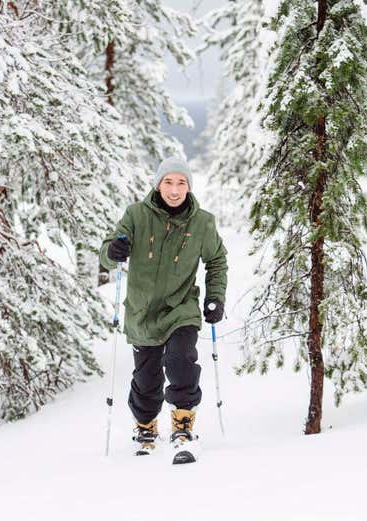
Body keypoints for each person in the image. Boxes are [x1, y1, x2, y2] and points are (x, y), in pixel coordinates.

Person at [99, 156, 228, 463]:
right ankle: (145, 428)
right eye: (168, 182)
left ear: (189, 187)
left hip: (180, 308)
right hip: (143, 312)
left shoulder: (202, 222)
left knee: (181, 359)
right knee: (147, 379)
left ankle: (183, 427)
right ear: (158, 184)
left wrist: (215, 297)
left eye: (181, 182)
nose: (174, 189)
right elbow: (107, 254)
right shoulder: (136, 215)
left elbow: (217, 260)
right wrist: (113, 251)